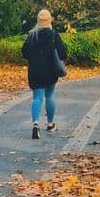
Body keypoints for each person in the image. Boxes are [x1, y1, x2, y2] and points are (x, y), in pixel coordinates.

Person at [22, 8, 68, 139]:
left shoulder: (32, 36)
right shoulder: (54, 35)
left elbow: (24, 53)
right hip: (50, 70)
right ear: (50, 21)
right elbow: (63, 53)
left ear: (38, 21)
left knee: (37, 98)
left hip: (35, 71)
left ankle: (35, 124)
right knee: (50, 95)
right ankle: (50, 123)